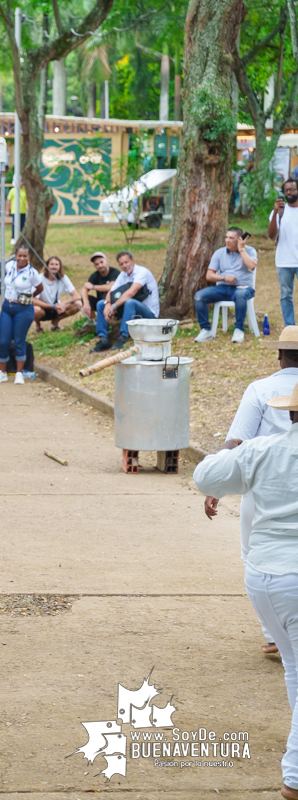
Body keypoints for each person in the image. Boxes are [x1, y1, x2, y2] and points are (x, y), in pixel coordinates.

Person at [193, 382, 298, 799]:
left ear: (290, 414)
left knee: (294, 667)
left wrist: (233, 452)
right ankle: (294, 774)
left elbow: (205, 476)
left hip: (267, 578)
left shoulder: (265, 450)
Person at [205, 326, 298, 657]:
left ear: (278, 354)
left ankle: (274, 633)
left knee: (254, 556)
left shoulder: (260, 389)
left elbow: (236, 440)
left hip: (263, 486)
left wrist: (217, 482)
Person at [194, 227, 258, 343]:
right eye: (226, 237)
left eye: (231, 238)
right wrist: (224, 277)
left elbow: (252, 266)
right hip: (223, 288)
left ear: (239, 239)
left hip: (244, 288)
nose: (227, 240)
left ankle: (239, 329)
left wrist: (242, 250)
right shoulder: (219, 253)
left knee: (240, 294)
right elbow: (209, 275)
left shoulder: (250, 251)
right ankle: (205, 329)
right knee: (199, 296)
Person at [0, 245, 43, 385]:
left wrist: (29, 296)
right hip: (7, 306)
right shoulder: (9, 266)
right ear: (15, 255)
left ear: (29, 257)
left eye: (24, 256)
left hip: (23, 308)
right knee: (3, 340)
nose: (21, 258)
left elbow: (40, 287)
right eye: (19, 255)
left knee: (19, 340)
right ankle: (1, 372)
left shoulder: (32, 273)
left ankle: (19, 373)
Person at [91, 250, 160, 352]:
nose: (124, 266)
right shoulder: (123, 275)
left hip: (148, 313)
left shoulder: (142, 272)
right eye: (121, 264)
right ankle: (103, 338)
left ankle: (123, 336)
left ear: (133, 261)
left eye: (126, 262)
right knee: (101, 303)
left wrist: (113, 307)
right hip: (131, 312)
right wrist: (107, 304)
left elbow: (131, 293)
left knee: (130, 302)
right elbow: (111, 291)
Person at [270, 179, 298, 326]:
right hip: (284, 261)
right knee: (286, 296)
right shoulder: (280, 211)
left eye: (293, 189)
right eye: (286, 190)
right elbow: (272, 235)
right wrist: (275, 214)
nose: (289, 192)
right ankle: (290, 328)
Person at [34, 256, 82, 332]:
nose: (54, 266)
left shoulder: (63, 278)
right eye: (52, 264)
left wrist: (63, 303)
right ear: (47, 266)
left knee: (78, 304)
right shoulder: (40, 278)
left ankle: (56, 321)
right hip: (42, 307)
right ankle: (38, 326)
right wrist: (51, 306)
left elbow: (76, 296)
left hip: (57, 307)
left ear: (60, 267)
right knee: (35, 310)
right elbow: (33, 300)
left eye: (56, 264)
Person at [80, 251, 115, 321]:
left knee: (106, 294)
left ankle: (110, 319)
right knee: (86, 299)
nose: (100, 265)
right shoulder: (95, 275)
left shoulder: (114, 272)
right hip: (99, 301)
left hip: (112, 301)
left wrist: (93, 286)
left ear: (107, 262)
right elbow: (85, 288)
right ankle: (93, 321)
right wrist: (86, 303)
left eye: (101, 262)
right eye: (97, 264)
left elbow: (110, 287)